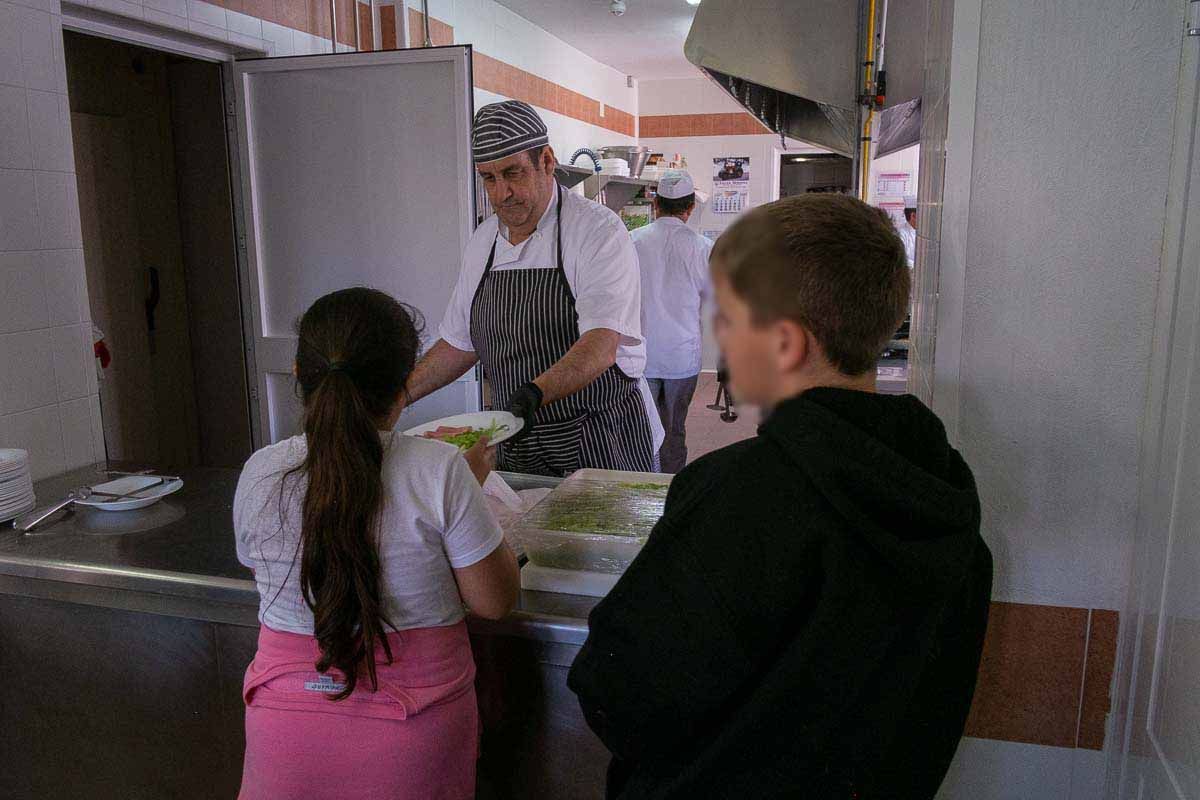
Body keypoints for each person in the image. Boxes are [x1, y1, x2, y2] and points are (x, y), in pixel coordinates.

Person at [568, 195, 992, 799]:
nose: (718, 337)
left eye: (730, 319)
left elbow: (620, 693)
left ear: (787, 345)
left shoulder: (737, 496)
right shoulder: (948, 508)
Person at [233, 288, 520, 800]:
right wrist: (468, 490)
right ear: (402, 384)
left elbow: (271, 577)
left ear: (300, 374)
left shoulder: (260, 472)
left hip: (284, 729)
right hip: (410, 732)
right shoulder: (440, 471)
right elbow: (495, 601)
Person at [405, 100, 663, 477]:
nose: (501, 193)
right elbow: (458, 343)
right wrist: (399, 396)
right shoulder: (483, 242)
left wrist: (534, 394)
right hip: (521, 441)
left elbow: (601, 344)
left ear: (546, 161)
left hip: (599, 438)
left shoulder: (596, 231)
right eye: (489, 178)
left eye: (513, 173)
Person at [631, 171, 712, 473]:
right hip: (682, 357)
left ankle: (644, 488)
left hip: (642, 357)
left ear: (655, 204)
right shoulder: (703, 248)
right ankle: (672, 489)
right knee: (674, 430)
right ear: (689, 208)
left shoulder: (631, 242)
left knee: (644, 432)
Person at [899, 197, 917, 268]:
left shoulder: (921, 233)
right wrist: (917, 265)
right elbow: (901, 258)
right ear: (913, 216)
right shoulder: (901, 233)